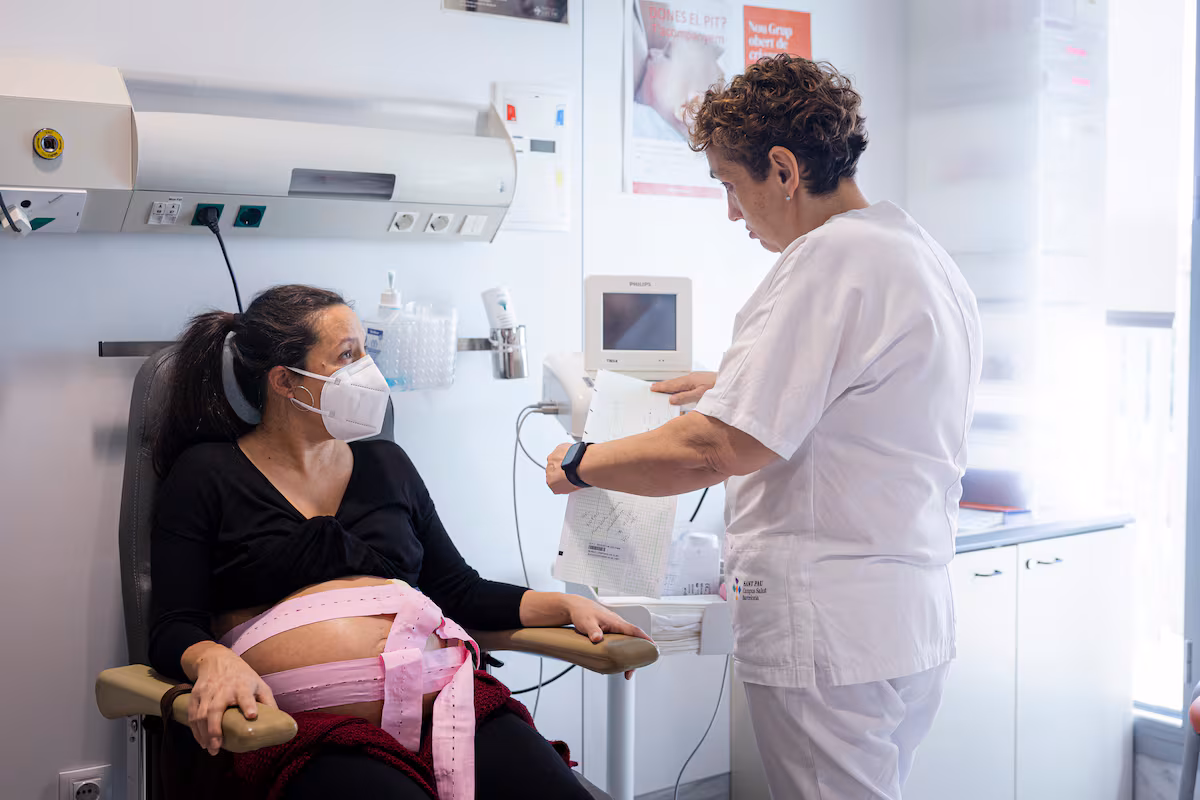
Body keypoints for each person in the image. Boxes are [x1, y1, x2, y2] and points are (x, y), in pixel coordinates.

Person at [545, 56, 981, 800]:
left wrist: (583, 461)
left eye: (729, 184)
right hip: (904, 621)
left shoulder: (829, 258)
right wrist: (738, 386)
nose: (731, 212)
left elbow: (713, 448)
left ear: (782, 169)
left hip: (830, 623)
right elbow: (874, 398)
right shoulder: (913, 251)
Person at [151, 284, 648, 799]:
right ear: (284, 381)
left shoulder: (387, 465)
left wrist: (565, 605)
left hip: (443, 703)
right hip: (304, 729)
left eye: (365, 350)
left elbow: (458, 590)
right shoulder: (207, 474)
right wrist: (210, 658)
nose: (369, 370)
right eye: (347, 355)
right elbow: (172, 626)